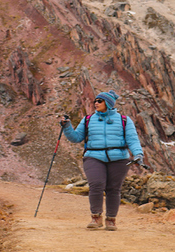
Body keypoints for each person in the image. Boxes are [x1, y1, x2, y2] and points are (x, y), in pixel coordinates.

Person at [60, 90, 146, 231]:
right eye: (95, 101)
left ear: (109, 103)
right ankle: (96, 217)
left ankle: (111, 219)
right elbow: (76, 138)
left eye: (100, 101)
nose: (96, 103)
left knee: (113, 189)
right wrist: (67, 127)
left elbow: (133, 140)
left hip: (119, 159)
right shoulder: (88, 120)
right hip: (93, 156)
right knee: (96, 184)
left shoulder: (124, 120)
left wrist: (138, 154)